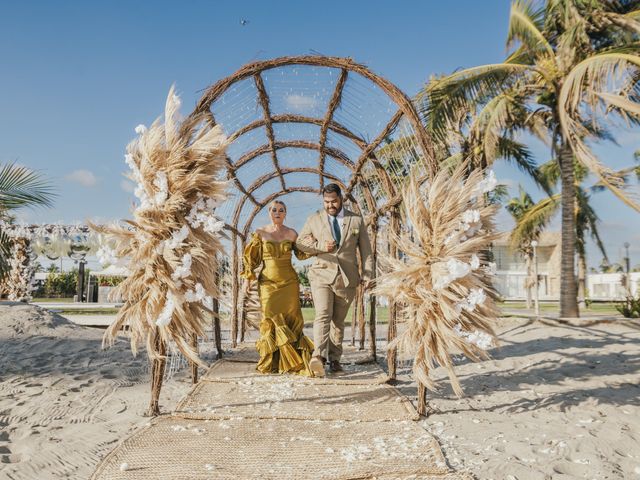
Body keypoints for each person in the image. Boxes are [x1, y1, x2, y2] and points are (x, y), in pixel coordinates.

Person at [296, 183, 373, 377]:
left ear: (341, 199)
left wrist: (368, 274)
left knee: (338, 321)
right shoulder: (314, 219)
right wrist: (321, 246)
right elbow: (300, 243)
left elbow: (366, 251)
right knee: (323, 313)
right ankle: (318, 357)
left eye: (334, 201)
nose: (330, 205)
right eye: (326, 202)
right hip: (321, 274)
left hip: (347, 278)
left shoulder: (356, 221)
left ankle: (335, 359)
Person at [241, 200, 315, 376]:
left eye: (281, 210)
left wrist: (311, 243)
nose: (277, 212)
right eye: (274, 210)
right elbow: (252, 259)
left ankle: (294, 361)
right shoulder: (260, 233)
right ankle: (272, 362)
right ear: (269, 212)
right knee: (269, 317)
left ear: (285, 214)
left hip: (289, 282)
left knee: (291, 317)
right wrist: (247, 279)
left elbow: (302, 254)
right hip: (267, 283)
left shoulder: (292, 233)